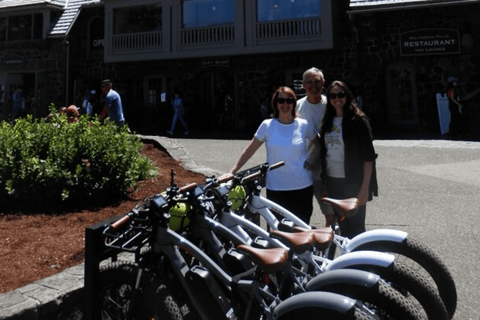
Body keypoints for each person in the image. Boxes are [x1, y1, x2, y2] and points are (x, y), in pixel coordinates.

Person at [225, 86, 319, 224]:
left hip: (302, 186)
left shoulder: (304, 125)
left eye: (289, 100)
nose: (285, 104)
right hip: (276, 187)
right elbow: (249, 150)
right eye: (281, 100)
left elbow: (320, 143)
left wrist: (313, 161)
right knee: (280, 231)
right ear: (275, 103)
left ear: (294, 103)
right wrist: (232, 171)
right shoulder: (267, 125)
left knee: (302, 229)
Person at [320, 80, 378, 238]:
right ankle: (349, 262)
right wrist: (325, 184)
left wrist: (365, 189)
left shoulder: (358, 120)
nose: (337, 99)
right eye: (332, 95)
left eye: (341, 94)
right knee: (343, 228)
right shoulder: (327, 122)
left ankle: (363, 261)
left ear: (347, 96)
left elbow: (368, 157)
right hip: (333, 182)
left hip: (353, 181)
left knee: (357, 229)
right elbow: (324, 155)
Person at [295, 67, 332, 220]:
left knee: (330, 212)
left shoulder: (331, 105)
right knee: (301, 213)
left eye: (317, 81)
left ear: (323, 83)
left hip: (327, 169)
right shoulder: (297, 106)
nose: (314, 85)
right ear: (303, 85)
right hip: (303, 169)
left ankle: (331, 242)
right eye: (309, 82)